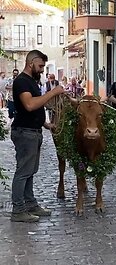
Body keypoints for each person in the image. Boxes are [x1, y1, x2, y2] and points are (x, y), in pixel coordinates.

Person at [10, 50, 66, 222]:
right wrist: (53, 92)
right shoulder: (21, 82)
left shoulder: (32, 81)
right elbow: (29, 105)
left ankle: (30, 203)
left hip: (33, 131)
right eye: (40, 66)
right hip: (24, 132)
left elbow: (36, 107)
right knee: (23, 171)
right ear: (31, 63)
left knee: (30, 171)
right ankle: (18, 210)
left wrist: (45, 124)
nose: (42, 70)